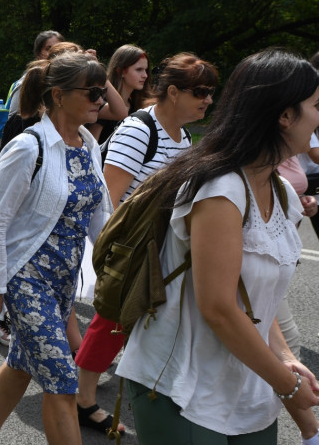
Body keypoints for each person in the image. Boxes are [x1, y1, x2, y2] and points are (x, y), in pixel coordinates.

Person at [110, 49, 319, 444]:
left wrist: (286, 358)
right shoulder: (221, 190)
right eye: (317, 106)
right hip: (180, 384)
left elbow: (256, 299)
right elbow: (219, 308)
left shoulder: (284, 194)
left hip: (247, 385)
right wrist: (286, 384)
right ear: (284, 116)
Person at [0, 51, 112, 445]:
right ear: (58, 95)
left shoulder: (88, 145)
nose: (101, 99)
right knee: (63, 383)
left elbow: (100, 215)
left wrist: (121, 269)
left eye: (102, 91)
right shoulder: (28, 147)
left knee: (22, 362)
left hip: (62, 280)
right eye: (93, 92)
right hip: (25, 278)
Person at [73, 52, 216, 435]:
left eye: (210, 92)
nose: (208, 99)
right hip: (133, 245)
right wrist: (114, 257)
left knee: (147, 323)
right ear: (172, 92)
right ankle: (82, 401)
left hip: (163, 245)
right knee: (112, 321)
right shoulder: (140, 129)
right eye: (200, 91)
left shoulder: (183, 136)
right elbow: (109, 197)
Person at [89, 44, 151, 142]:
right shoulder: (102, 102)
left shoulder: (137, 106)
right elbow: (92, 146)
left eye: (146, 70)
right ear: (120, 71)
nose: (145, 75)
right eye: (139, 69)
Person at [5, 29, 63, 117]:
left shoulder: (69, 79)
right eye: (49, 48)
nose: (54, 52)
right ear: (39, 54)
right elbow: (12, 122)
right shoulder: (28, 81)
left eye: (59, 48)